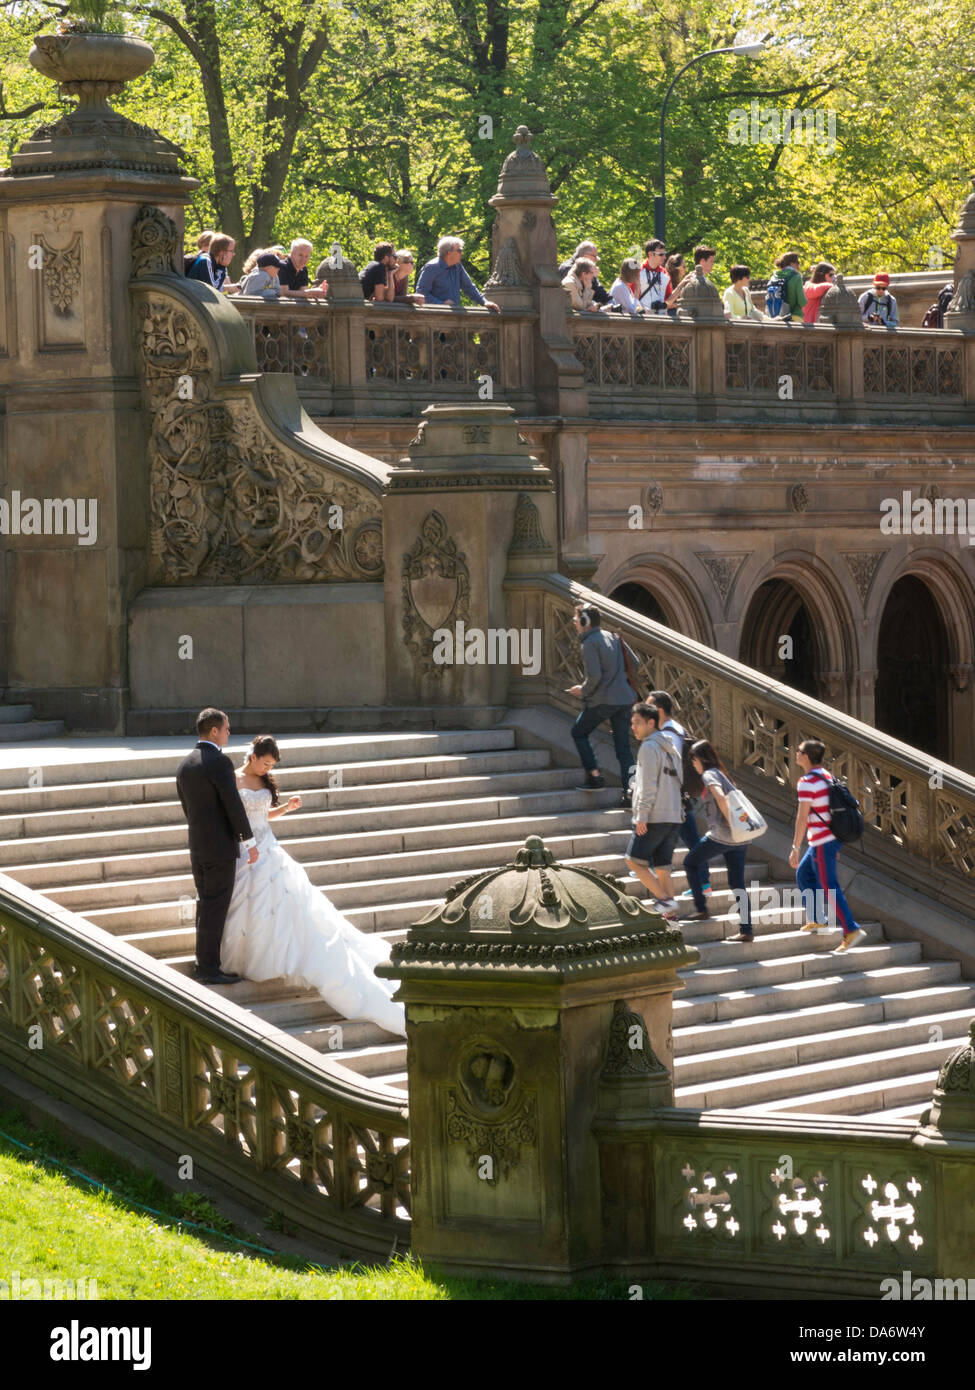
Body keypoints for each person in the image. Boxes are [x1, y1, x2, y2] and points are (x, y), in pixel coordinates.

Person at [220, 735, 406, 1035]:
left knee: (284, 901)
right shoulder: (232, 779)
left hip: (267, 846)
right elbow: (235, 816)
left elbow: (262, 816)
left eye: (271, 766)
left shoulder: (264, 782)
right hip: (245, 848)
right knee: (249, 903)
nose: (267, 769)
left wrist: (286, 809)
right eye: (265, 763)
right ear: (252, 757)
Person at [175, 708, 257, 985]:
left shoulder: (185, 764)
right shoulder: (219, 763)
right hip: (220, 849)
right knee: (215, 907)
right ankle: (209, 968)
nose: (229, 733)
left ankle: (205, 963)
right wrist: (249, 840)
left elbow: (188, 809)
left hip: (198, 846)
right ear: (214, 731)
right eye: (226, 728)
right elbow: (232, 805)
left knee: (205, 905)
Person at [789, 738, 866, 953]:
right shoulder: (827, 776)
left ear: (806, 757)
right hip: (827, 840)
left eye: (799, 750)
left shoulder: (806, 781)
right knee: (804, 874)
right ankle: (818, 919)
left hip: (823, 842)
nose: (796, 753)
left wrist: (795, 847)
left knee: (829, 885)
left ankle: (850, 929)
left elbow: (802, 817)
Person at [678, 740, 753, 941]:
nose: (693, 764)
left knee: (690, 862)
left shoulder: (710, 774)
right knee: (737, 883)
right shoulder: (722, 773)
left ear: (699, 758)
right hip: (740, 839)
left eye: (693, 759)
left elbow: (721, 798)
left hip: (723, 835)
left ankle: (701, 908)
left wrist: (730, 822)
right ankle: (746, 930)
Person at [566, 603, 638, 801]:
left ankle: (595, 777)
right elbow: (635, 662)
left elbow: (595, 677)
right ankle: (631, 793)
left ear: (584, 622)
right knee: (623, 748)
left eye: (576, 619)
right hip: (625, 700)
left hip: (603, 701)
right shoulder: (614, 637)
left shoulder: (590, 643)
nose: (574, 622)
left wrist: (582, 690)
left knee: (578, 732)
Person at [648, 689, 710, 897]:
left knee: (687, 837)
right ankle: (703, 883)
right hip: (676, 795)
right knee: (688, 837)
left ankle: (703, 883)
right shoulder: (673, 729)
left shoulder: (668, 733)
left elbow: (670, 765)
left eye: (649, 707)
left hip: (674, 796)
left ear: (659, 710)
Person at [624, 702, 684, 919]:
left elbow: (648, 785)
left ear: (651, 723)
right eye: (632, 723)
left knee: (633, 860)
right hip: (674, 815)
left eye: (638, 723)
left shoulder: (649, 747)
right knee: (662, 866)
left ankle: (664, 900)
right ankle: (671, 914)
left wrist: (641, 814)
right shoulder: (672, 747)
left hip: (655, 815)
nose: (633, 727)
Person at [415, 236, 499, 311]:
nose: (462, 253)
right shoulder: (431, 267)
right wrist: (441, 304)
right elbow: (421, 293)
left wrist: (484, 302)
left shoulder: (457, 266)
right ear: (449, 253)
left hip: (454, 314)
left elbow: (469, 287)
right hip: (434, 316)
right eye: (459, 250)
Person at [558, 241, 612, 305]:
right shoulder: (567, 269)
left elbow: (598, 292)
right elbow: (580, 300)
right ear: (586, 256)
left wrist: (610, 301)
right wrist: (592, 276)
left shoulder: (586, 269)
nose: (596, 260)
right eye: (594, 257)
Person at [765, 251, 807, 321]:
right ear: (791, 263)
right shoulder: (796, 277)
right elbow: (802, 302)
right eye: (798, 262)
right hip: (793, 316)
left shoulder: (774, 276)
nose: (799, 265)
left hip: (774, 316)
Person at [637, 240, 671, 314]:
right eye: (661, 254)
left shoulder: (665, 274)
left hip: (662, 320)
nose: (664, 257)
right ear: (650, 254)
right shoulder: (638, 272)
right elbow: (632, 298)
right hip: (643, 320)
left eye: (665, 254)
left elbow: (668, 298)